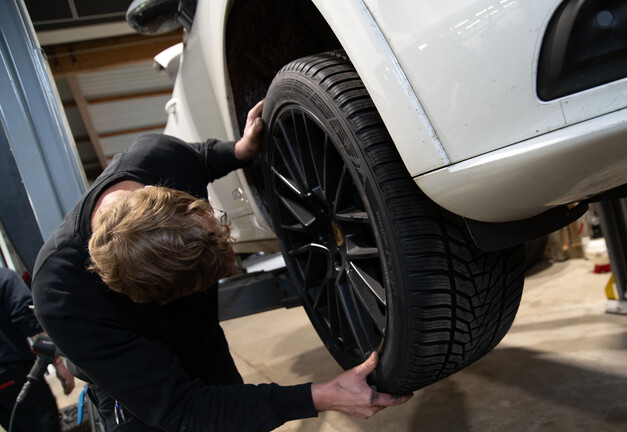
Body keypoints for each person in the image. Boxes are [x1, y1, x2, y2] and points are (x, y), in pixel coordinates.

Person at [31, 101, 410, 431]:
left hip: (203, 346)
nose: (230, 262)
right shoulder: (62, 295)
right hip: (138, 391)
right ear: (158, 297)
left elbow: (199, 158)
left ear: (175, 195)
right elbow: (183, 410)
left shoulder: (158, 157)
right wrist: (319, 396)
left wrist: (239, 150)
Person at [0, 267, 74, 432]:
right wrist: (58, 363)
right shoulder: (4, 278)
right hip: (15, 376)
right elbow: (30, 322)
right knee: (42, 425)